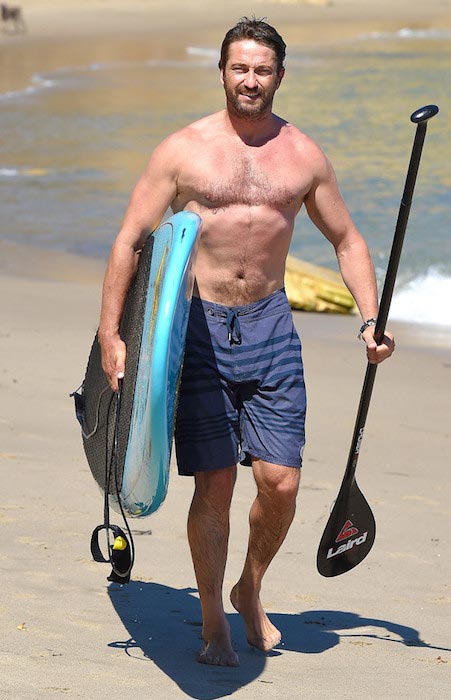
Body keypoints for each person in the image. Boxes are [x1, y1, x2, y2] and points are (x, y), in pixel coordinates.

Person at [98, 17, 395, 667]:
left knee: (281, 483)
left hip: (270, 325)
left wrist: (370, 318)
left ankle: (249, 588)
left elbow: (347, 240)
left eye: (262, 69)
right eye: (239, 68)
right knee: (216, 486)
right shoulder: (183, 150)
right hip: (197, 329)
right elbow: (130, 240)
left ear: (280, 76)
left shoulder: (304, 156)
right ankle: (214, 624)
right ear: (222, 72)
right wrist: (111, 336)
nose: (250, 80)